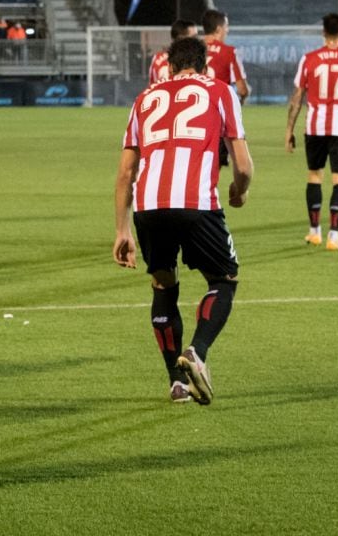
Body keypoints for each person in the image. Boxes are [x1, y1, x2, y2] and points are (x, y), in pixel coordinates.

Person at [113, 37, 253, 405]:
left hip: (148, 205)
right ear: (204, 64)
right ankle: (197, 351)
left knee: (163, 285)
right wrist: (240, 189)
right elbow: (242, 164)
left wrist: (121, 229)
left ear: (169, 65)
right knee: (224, 278)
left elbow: (126, 172)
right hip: (196, 203)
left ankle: (177, 384)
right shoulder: (220, 91)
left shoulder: (144, 98)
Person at [284, 13, 338, 251]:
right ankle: (333, 236)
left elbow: (297, 97)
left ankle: (314, 233)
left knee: (314, 176)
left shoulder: (309, 59)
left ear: (323, 33)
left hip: (314, 127)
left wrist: (289, 130)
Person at [201, 9, 249, 166]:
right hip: (217, 119)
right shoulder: (229, 53)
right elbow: (242, 89)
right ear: (218, 29)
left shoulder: (193, 50)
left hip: (193, 117)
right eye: (226, 26)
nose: (227, 30)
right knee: (218, 167)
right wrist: (242, 99)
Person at [148, 19, 197, 84]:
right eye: (194, 37)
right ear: (182, 39)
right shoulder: (190, 62)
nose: (197, 41)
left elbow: (150, 85)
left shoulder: (157, 58)